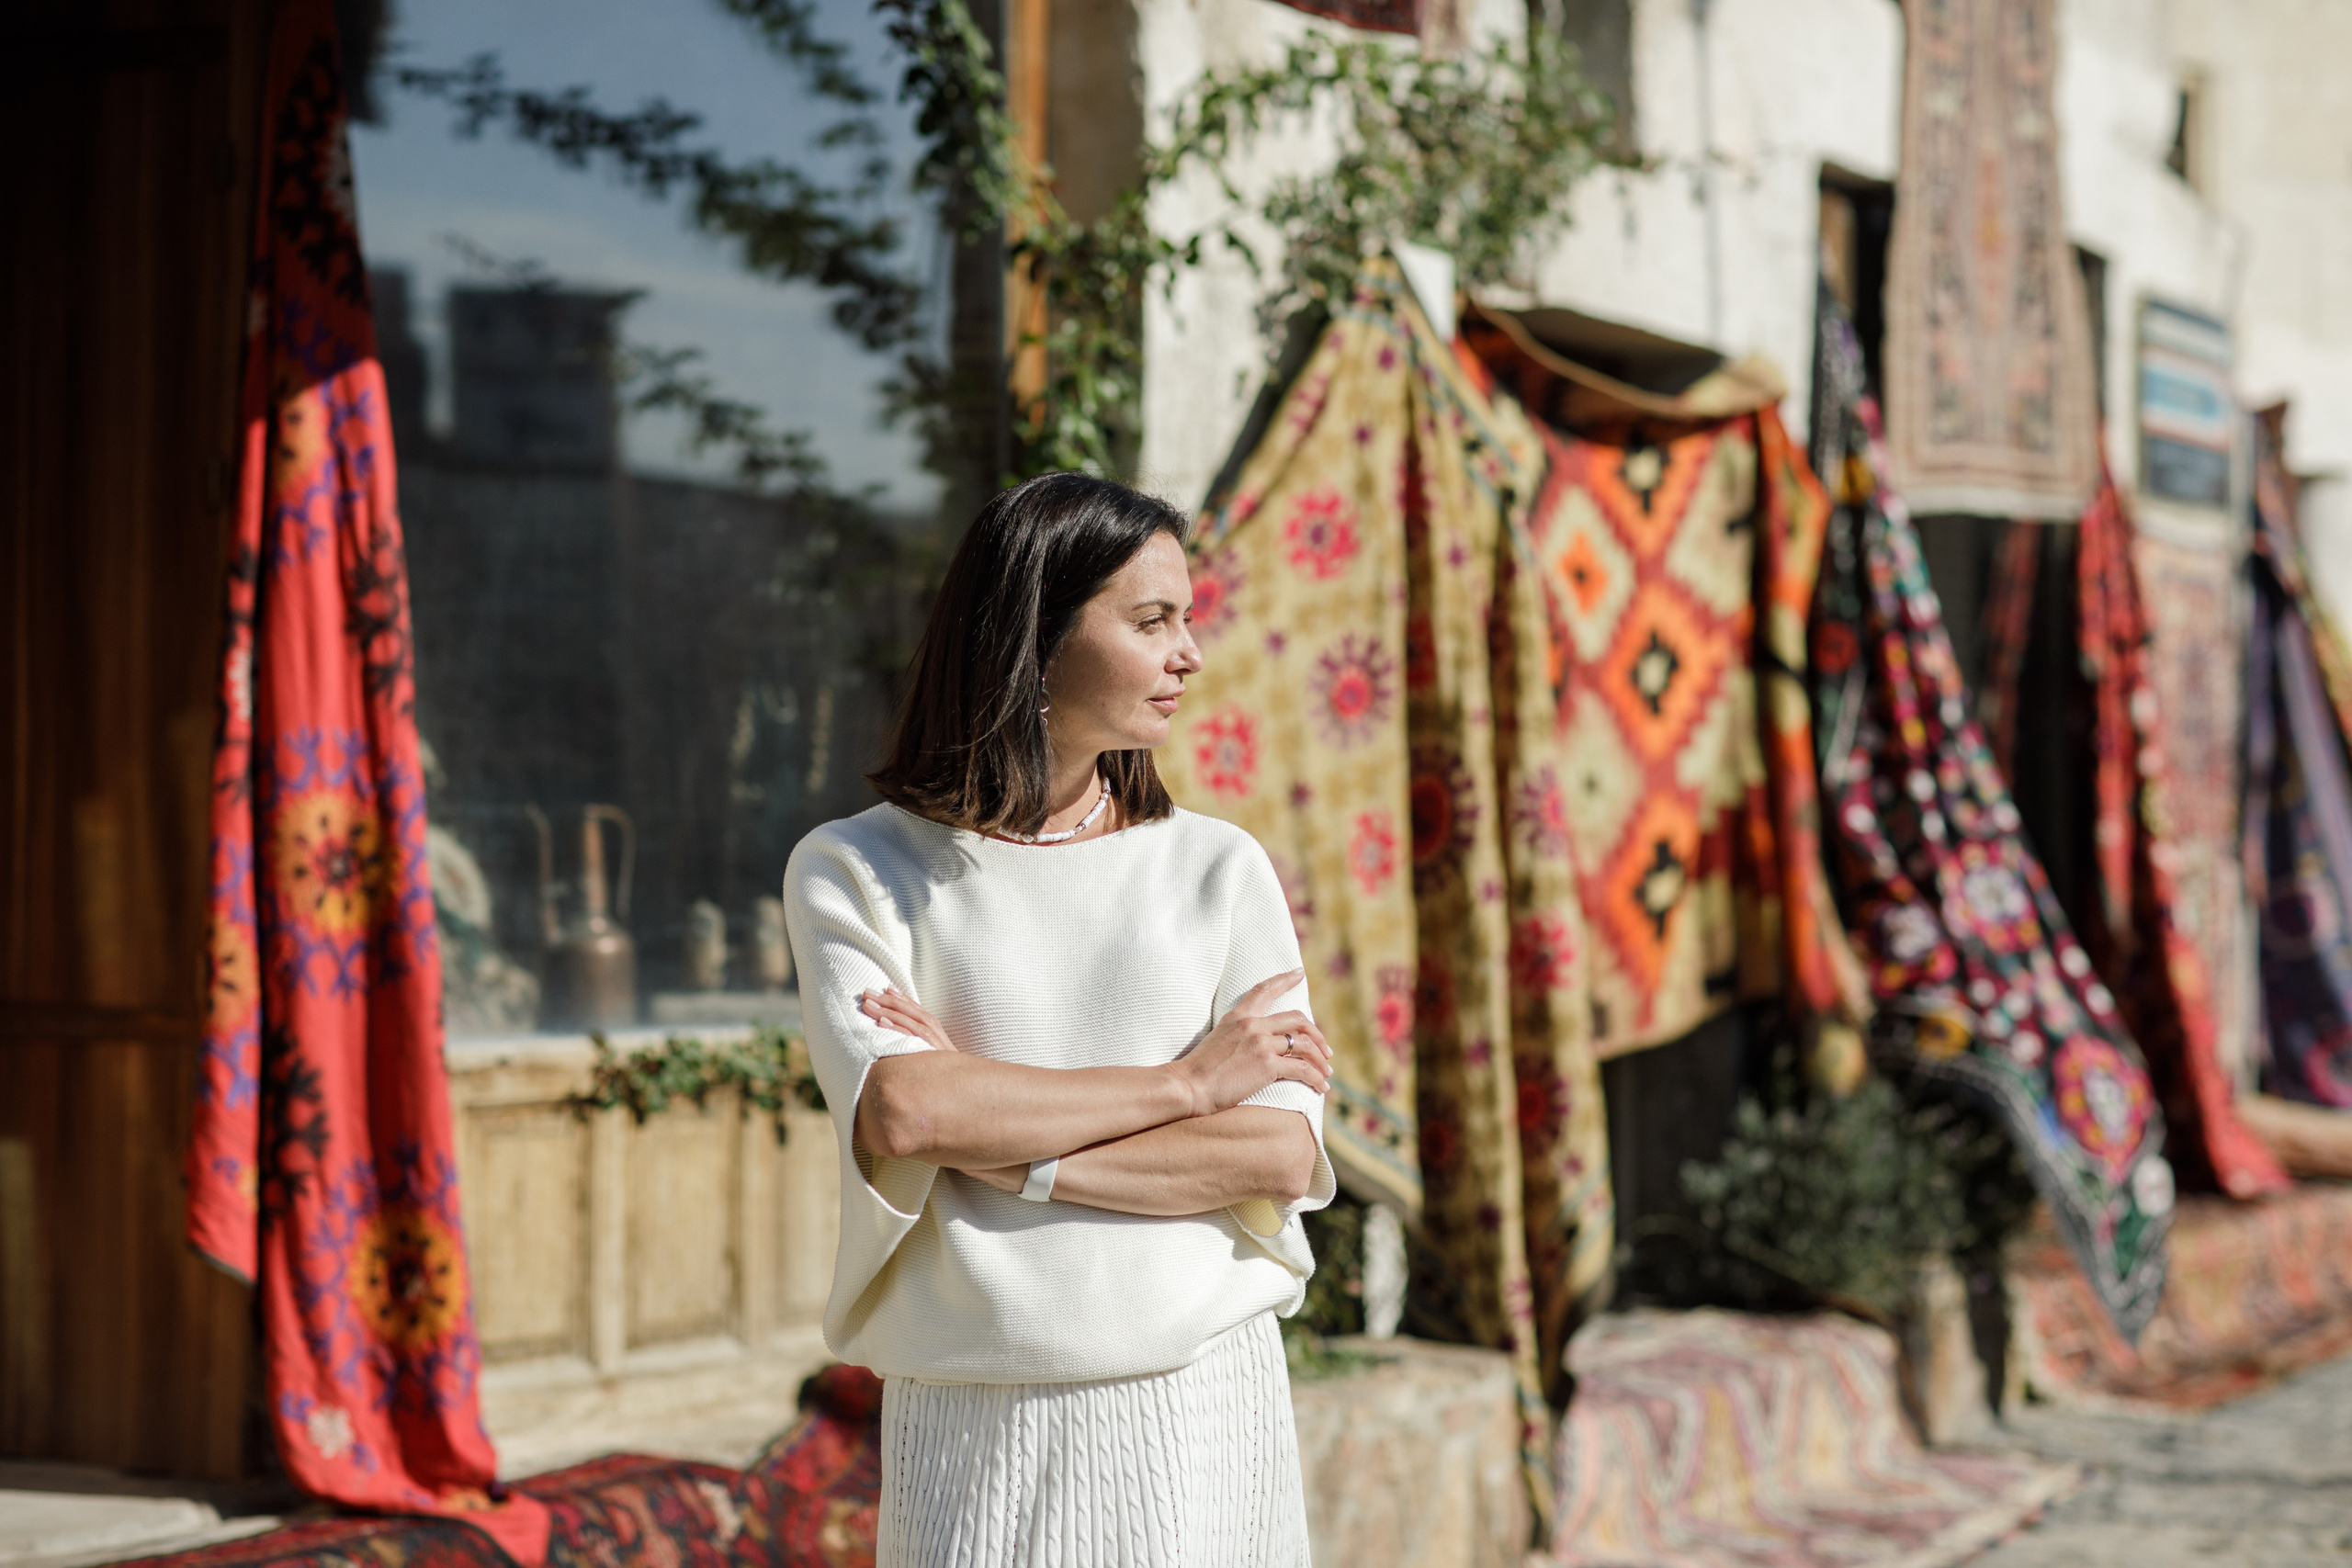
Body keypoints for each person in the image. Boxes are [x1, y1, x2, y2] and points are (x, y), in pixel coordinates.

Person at [783, 472, 1338, 1566]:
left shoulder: (1215, 869)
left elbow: (1275, 1148)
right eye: (1151, 622)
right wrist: (1185, 1088)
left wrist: (1002, 1152)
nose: (1189, 654)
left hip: (1202, 1406)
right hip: (981, 1414)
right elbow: (902, 1113)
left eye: (1187, 619)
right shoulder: (858, 870)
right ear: (1032, 638)